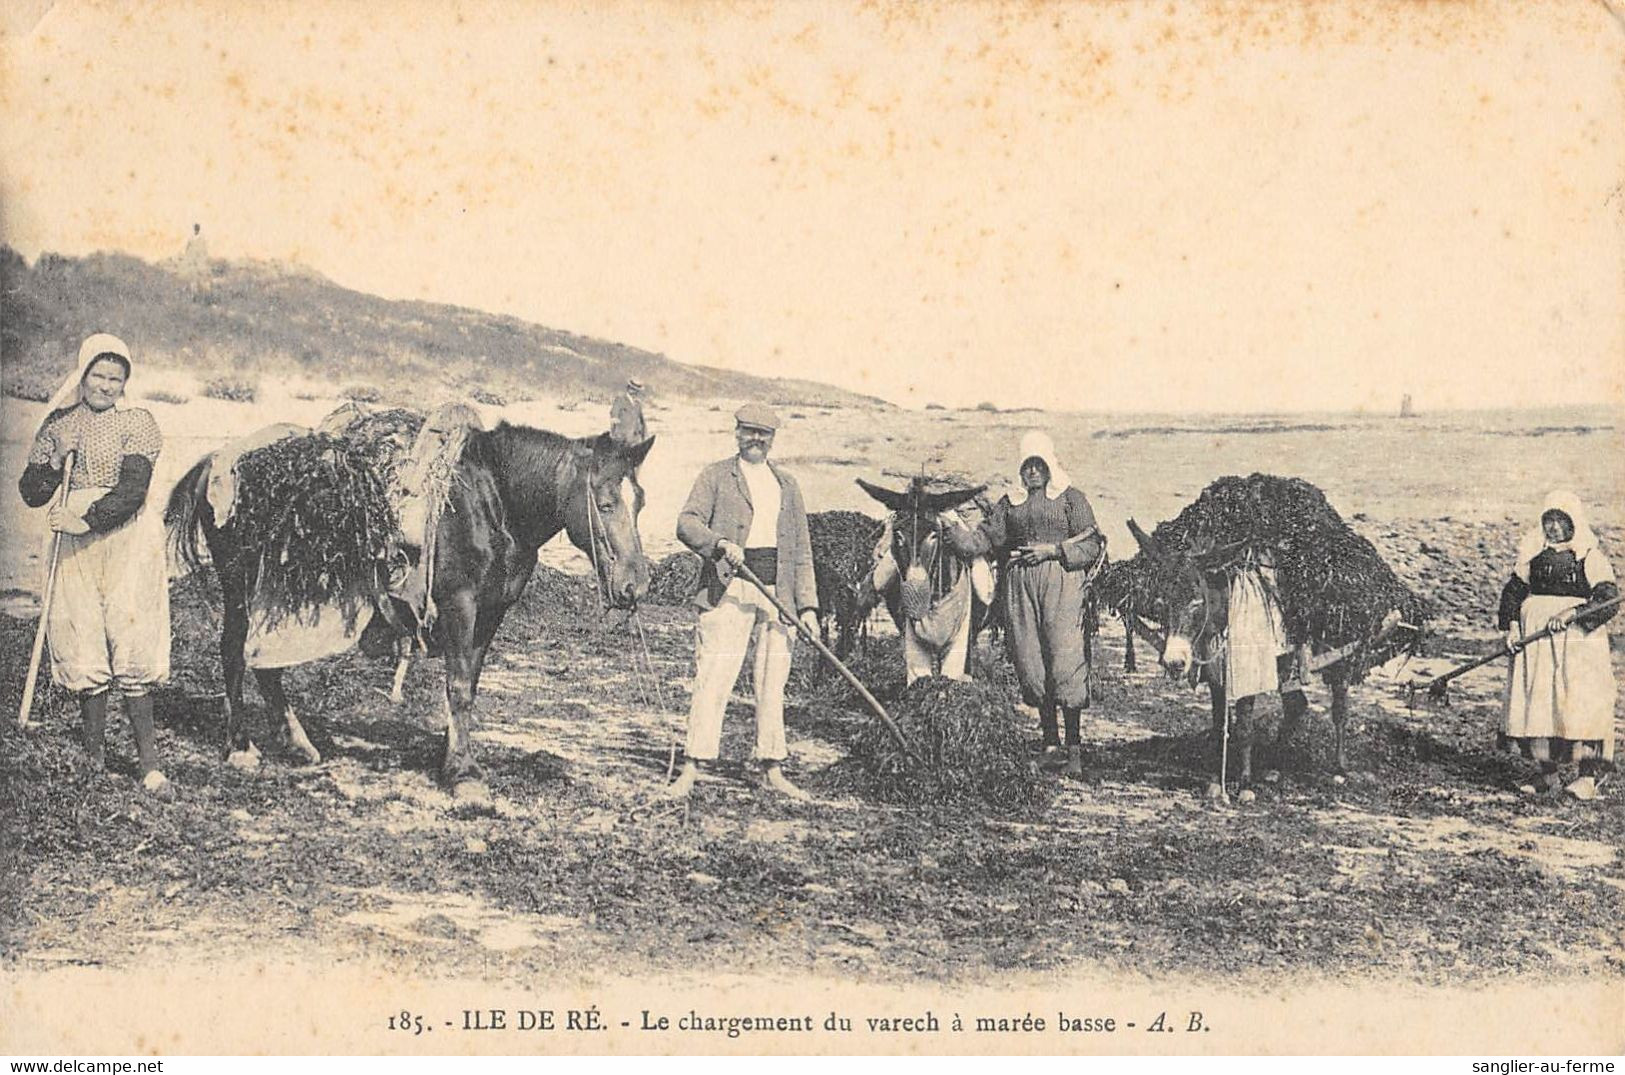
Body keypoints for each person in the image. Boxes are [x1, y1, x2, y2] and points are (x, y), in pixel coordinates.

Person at [18, 334, 175, 800]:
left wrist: (84, 519)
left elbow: (133, 491)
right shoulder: (60, 422)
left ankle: (149, 766)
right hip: (73, 540)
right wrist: (52, 456)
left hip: (123, 536)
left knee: (131, 636)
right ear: (82, 375)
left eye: (116, 377)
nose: (106, 386)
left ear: (126, 381)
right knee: (82, 636)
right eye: (98, 375)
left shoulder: (137, 422)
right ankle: (94, 761)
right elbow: (31, 492)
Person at [666, 403, 819, 800]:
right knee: (713, 676)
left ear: (773, 439)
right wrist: (718, 543)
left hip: (777, 592)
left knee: (773, 683)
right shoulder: (716, 476)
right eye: (748, 431)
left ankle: (771, 766)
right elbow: (686, 522)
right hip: (729, 585)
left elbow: (802, 550)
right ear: (736, 432)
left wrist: (808, 607)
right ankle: (692, 767)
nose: (755, 439)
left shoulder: (787, 484)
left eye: (763, 434)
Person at [948, 431, 1104, 777]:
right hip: (1020, 586)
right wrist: (953, 534)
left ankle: (1075, 751)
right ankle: (1050, 745)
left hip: (1061, 582)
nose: (1032, 472)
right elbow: (986, 538)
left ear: (1049, 464)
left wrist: (1054, 550)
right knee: (1031, 661)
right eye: (1026, 466)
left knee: (1065, 660)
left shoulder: (1071, 499)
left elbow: (1092, 543)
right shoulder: (1010, 502)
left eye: (1038, 465)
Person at [1497, 491, 1618, 800]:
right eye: (1547, 520)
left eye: (1560, 521)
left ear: (1573, 522)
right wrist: (1512, 627)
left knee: (1579, 702)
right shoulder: (1533, 555)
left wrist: (1573, 613)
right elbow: (1512, 594)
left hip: (1577, 644)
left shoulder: (1589, 556)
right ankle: (1546, 775)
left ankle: (1588, 778)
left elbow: (1607, 600)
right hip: (1536, 647)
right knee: (1539, 703)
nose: (1552, 527)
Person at [609, 378, 647, 448]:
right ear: (629, 389)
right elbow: (614, 418)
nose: (634, 392)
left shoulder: (637, 404)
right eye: (633, 389)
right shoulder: (620, 400)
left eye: (636, 391)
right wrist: (614, 436)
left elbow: (643, 423)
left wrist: (644, 438)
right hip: (621, 440)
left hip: (634, 440)